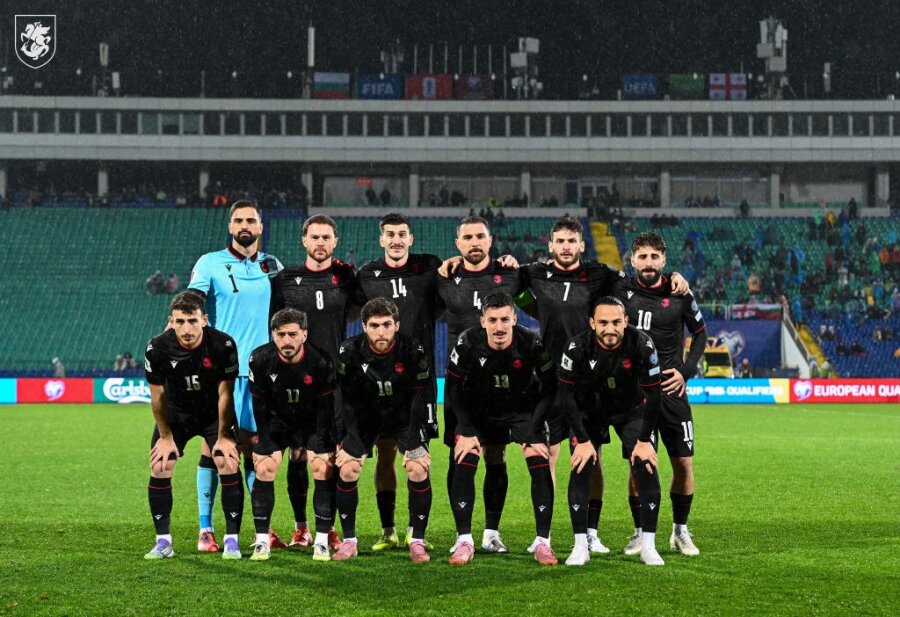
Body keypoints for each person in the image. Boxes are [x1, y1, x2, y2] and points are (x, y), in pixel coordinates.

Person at [188, 200, 283, 552]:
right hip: (222, 373)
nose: (245, 225)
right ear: (230, 226)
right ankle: (206, 529)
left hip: (261, 374)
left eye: (251, 220)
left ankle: (261, 529)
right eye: (238, 220)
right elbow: (192, 305)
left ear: (260, 227)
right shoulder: (210, 263)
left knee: (256, 449)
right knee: (214, 446)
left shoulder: (272, 266)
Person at [445, 293, 558, 565]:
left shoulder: (531, 343)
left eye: (505, 319)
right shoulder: (467, 343)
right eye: (493, 320)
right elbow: (453, 387)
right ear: (483, 321)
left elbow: (550, 387)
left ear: (514, 319)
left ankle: (543, 541)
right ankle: (465, 539)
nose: (499, 326)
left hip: (521, 408)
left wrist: (534, 429)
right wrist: (467, 430)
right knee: (469, 454)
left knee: (538, 455)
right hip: (479, 409)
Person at [435, 216, 522, 553]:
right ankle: (463, 534)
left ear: (490, 240)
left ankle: (491, 532)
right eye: (467, 237)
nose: (474, 242)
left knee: (496, 454)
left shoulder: (511, 274)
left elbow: (542, 297)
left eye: (480, 236)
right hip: (460, 383)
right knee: (459, 454)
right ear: (458, 243)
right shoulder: (444, 278)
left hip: (500, 384)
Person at [355, 213, 441, 551]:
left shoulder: (429, 268)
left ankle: (415, 532)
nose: (396, 239)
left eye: (402, 233)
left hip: (418, 380)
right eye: (389, 234)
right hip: (378, 381)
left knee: (418, 457)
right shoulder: (366, 275)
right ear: (381, 239)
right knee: (385, 454)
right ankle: (388, 530)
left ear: (411, 238)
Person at [557, 297, 664, 566]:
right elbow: (566, 396)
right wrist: (582, 440)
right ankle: (581, 545)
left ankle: (648, 546)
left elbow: (654, 395)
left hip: (631, 409)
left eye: (616, 322)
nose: (610, 329)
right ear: (592, 323)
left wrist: (644, 440)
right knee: (581, 465)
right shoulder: (576, 347)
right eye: (603, 322)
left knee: (645, 464)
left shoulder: (642, 344)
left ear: (626, 321)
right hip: (589, 411)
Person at [615, 232, 704, 556]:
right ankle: (640, 532)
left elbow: (700, 333)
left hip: (670, 390)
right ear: (632, 260)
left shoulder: (680, 293)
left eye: (654, 257)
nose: (648, 263)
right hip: (635, 393)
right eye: (643, 257)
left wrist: (685, 372)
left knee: (683, 463)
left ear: (664, 260)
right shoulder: (620, 291)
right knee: (638, 464)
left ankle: (680, 531)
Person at [270, 214, 355, 548]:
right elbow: (274, 328)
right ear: (304, 240)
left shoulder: (346, 279)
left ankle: (327, 527)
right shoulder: (285, 280)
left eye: (326, 237)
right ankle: (301, 527)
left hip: (332, 381)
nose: (320, 243)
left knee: (329, 456)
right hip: (295, 381)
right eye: (315, 237)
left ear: (335, 242)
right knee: (297, 454)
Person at [142, 292, 244, 559]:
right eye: (180, 321)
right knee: (160, 465)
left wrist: (224, 435)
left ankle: (232, 540)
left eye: (192, 321)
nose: (186, 329)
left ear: (204, 320)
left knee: (227, 461)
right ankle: (163, 542)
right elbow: (158, 397)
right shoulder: (157, 348)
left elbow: (226, 393)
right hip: (177, 415)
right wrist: (165, 437)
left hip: (213, 414)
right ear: (171, 321)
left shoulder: (223, 344)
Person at [332, 299, 433, 563]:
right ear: (364, 326)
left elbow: (419, 397)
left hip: (403, 416)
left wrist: (416, 441)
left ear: (397, 325)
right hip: (365, 416)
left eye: (387, 324)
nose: (381, 332)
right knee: (348, 468)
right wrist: (345, 439)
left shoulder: (413, 349)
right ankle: (350, 541)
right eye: (374, 325)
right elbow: (345, 398)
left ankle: (417, 540)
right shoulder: (349, 351)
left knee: (418, 467)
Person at [246, 309, 338, 561]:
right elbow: (259, 405)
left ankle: (321, 541)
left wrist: (322, 443)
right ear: (273, 335)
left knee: (321, 466)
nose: (287, 340)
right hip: (277, 422)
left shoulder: (321, 361)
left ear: (304, 335)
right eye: (281, 334)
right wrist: (264, 442)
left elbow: (326, 408)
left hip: (311, 422)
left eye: (293, 334)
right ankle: (262, 541)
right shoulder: (259, 360)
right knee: (264, 466)